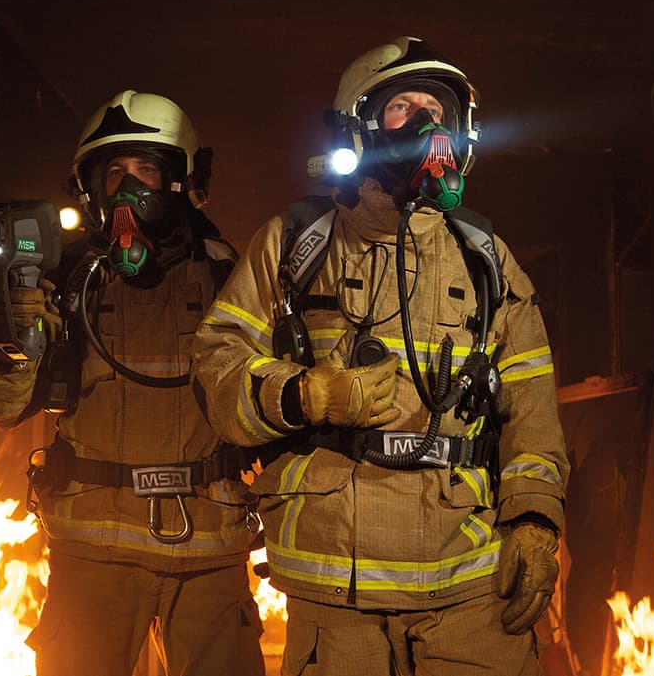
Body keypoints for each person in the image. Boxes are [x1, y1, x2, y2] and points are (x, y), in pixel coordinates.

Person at [190, 37, 569, 675]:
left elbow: (531, 401)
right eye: (402, 108)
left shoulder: (484, 259)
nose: (425, 124)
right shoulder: (294, 244)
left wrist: (535, 519)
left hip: (467, 586)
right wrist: (304, 394)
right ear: (359, 126)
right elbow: (217, 365)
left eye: (435, 109)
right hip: (337, 593)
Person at [0, 90, 265, 676]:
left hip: (209, 554)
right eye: (114, 173)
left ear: (182, 180)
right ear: (90, 188)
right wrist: (12, 340)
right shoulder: (62, 279)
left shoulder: (235, 277)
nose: (129, 191)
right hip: (92, 557)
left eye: (147, 170)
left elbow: (264, 409)